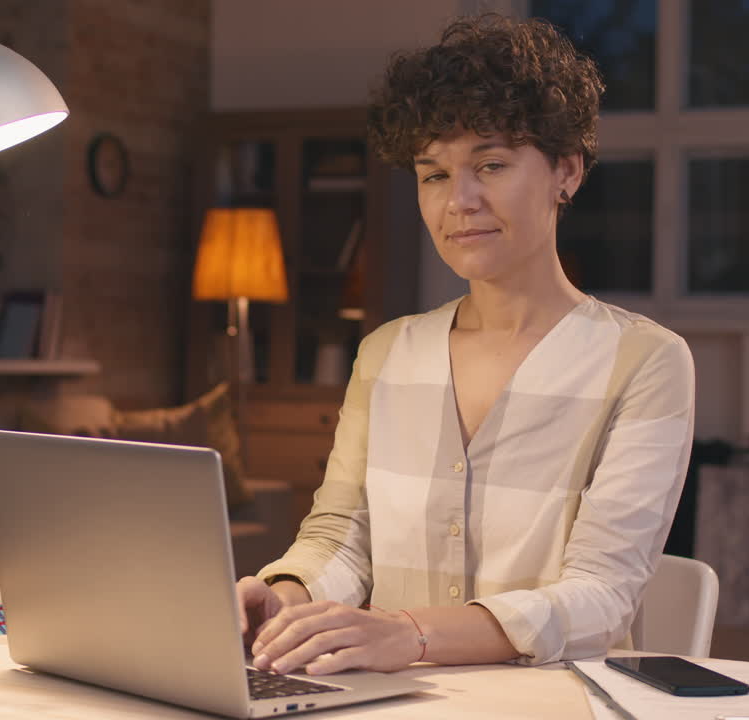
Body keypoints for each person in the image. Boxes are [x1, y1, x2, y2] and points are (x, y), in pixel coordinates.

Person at [237, 13, 695, 675]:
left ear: (566, 170)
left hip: (553, 706)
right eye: (434, 175)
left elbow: (602, 594)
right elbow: (342, 536)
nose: (460, 201)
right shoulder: (387, 353)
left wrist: (410, 634)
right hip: (386, 702)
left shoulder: (645, 362)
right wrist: (287, 601)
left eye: (492, 164)